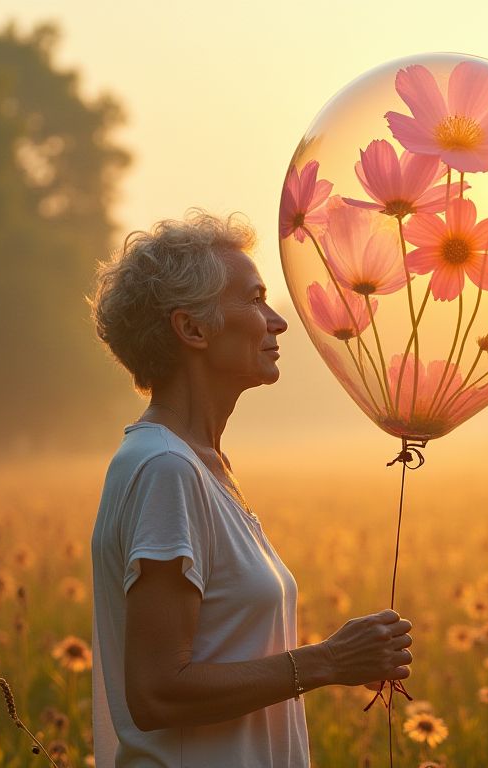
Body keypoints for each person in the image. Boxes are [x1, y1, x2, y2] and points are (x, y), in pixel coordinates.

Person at [89, 210, 413, 767]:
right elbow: (157, 691)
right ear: (192, 329)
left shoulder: (199, 464)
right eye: (255, 298)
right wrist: (327, 662)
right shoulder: (166, 469)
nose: (277, 321)